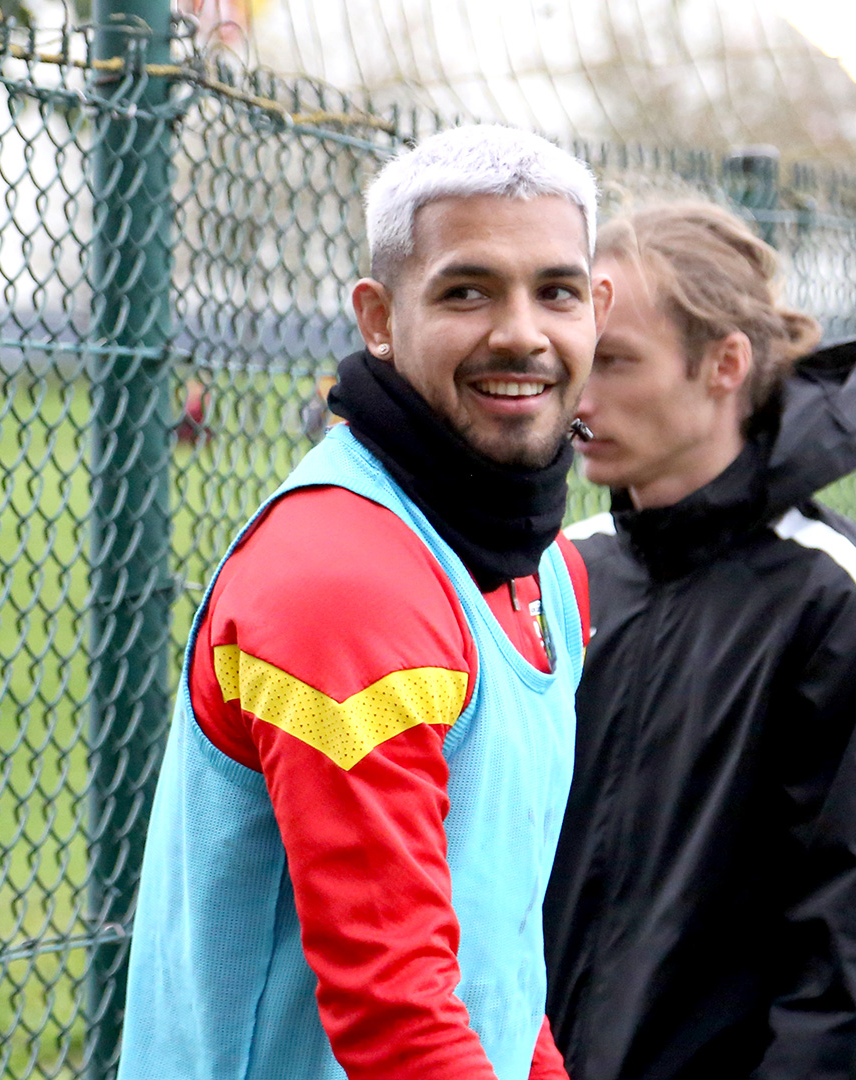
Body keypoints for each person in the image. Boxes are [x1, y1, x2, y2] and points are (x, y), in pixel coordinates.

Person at [122, 125, 612, 1080]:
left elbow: (500, 977)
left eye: (554, 291)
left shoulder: (549, 569)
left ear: (597, 309)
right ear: (380, 318)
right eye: (467, 291)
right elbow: (397, 1017)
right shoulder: (341, 584)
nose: (521, 331)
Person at [543, 202, 856, 1080]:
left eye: (616, 363)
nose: (580, 401)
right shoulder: (558, 577)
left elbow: (840, 972)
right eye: (579, 360)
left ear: (725, 363)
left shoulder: (849, 609)